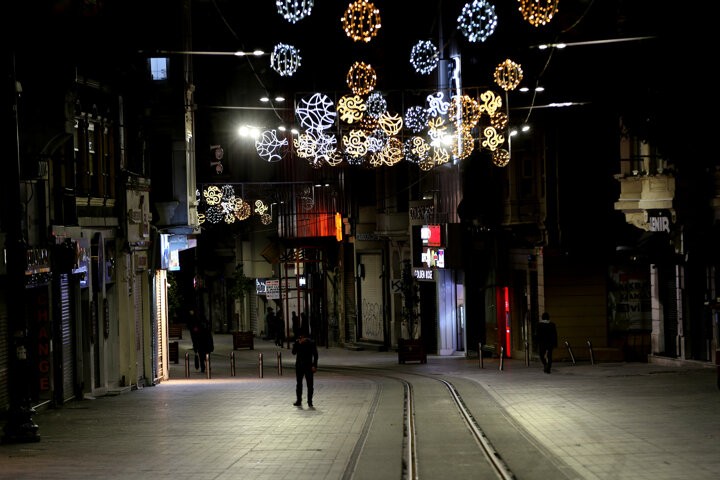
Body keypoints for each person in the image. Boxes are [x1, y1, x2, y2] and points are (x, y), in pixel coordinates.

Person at [292, 326, 318, 407]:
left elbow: (315, 355)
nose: (301, 338)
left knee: (310, 384)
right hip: (299, 366)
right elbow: (293, 352)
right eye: (300, 337)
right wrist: (297, 344)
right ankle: (299, 400)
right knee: (299, 384)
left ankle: (310, 401)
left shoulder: (311, 343)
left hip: (308, 366)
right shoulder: (297, 342)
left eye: (302, 337)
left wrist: (314, 365)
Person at [188, 307, 214, 373]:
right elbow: (209, 335)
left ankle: (203, 367)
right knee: (207, 355)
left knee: (201, 356)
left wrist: (195, 344)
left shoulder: (197, 323)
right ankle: (208, 366)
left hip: (200, 342)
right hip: (206, 342)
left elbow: (195, 334)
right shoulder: (206, 324)